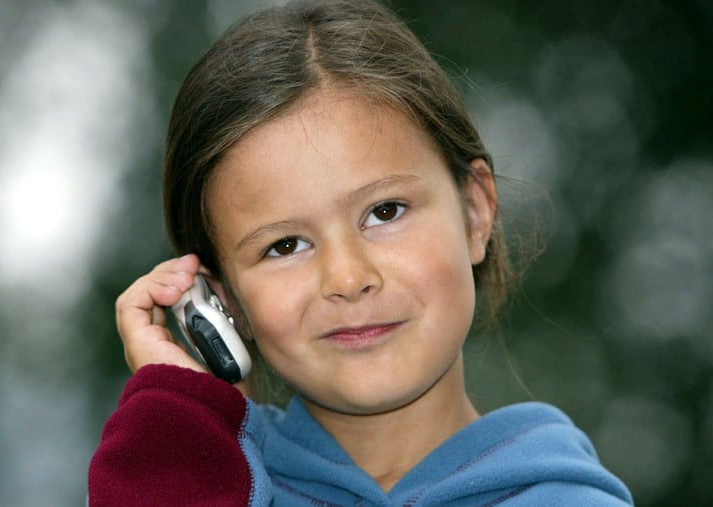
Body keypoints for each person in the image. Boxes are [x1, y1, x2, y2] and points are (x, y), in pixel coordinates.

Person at [88, 0, 634, 505]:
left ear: (474, 211)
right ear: (222, 301)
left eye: (386, 212)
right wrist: (178, 427)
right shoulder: (197, 486)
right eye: (285, 245)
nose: (348, 278)